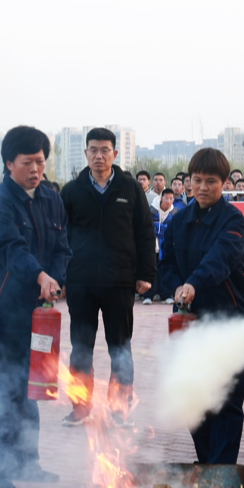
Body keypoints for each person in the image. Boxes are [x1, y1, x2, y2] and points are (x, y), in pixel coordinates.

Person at [0, 125, 70, 488]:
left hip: (35, 314)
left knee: (30, 389)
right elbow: (12, 250)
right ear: (9, 163)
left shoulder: (50, 199)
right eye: (27, 162)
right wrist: (40, 275)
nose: (35, 169)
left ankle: (28, 462)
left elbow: (62, 247)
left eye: (41, 161)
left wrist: (54, 278)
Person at [159, 148, 244, 466]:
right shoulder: (179, 220)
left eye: (210, 181)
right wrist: (175, 286)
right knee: (195, 396)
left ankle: (221, 470)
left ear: (224, 182)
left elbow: (221, 258)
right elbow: (167, 263)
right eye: (196, 180)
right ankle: (207, 463)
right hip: (188, 321)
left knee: (225, 399)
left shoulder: (234, 220)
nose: (202, 187)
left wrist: (193, 284)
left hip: (228, 319)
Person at [59, 127, 156, 426]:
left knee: (121, 347)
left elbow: (144, 232)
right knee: (81, 347)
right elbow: (60, 236)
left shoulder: (130, 189)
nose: (99, 156)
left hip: (119, 281)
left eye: (105, 150)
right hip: (81, 282)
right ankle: (80, 406)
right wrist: (61, 275)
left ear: (115, 153)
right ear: (86, 153)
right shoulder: (72, 191)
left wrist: (146, 273)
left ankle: (119, 407)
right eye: (93, 150)